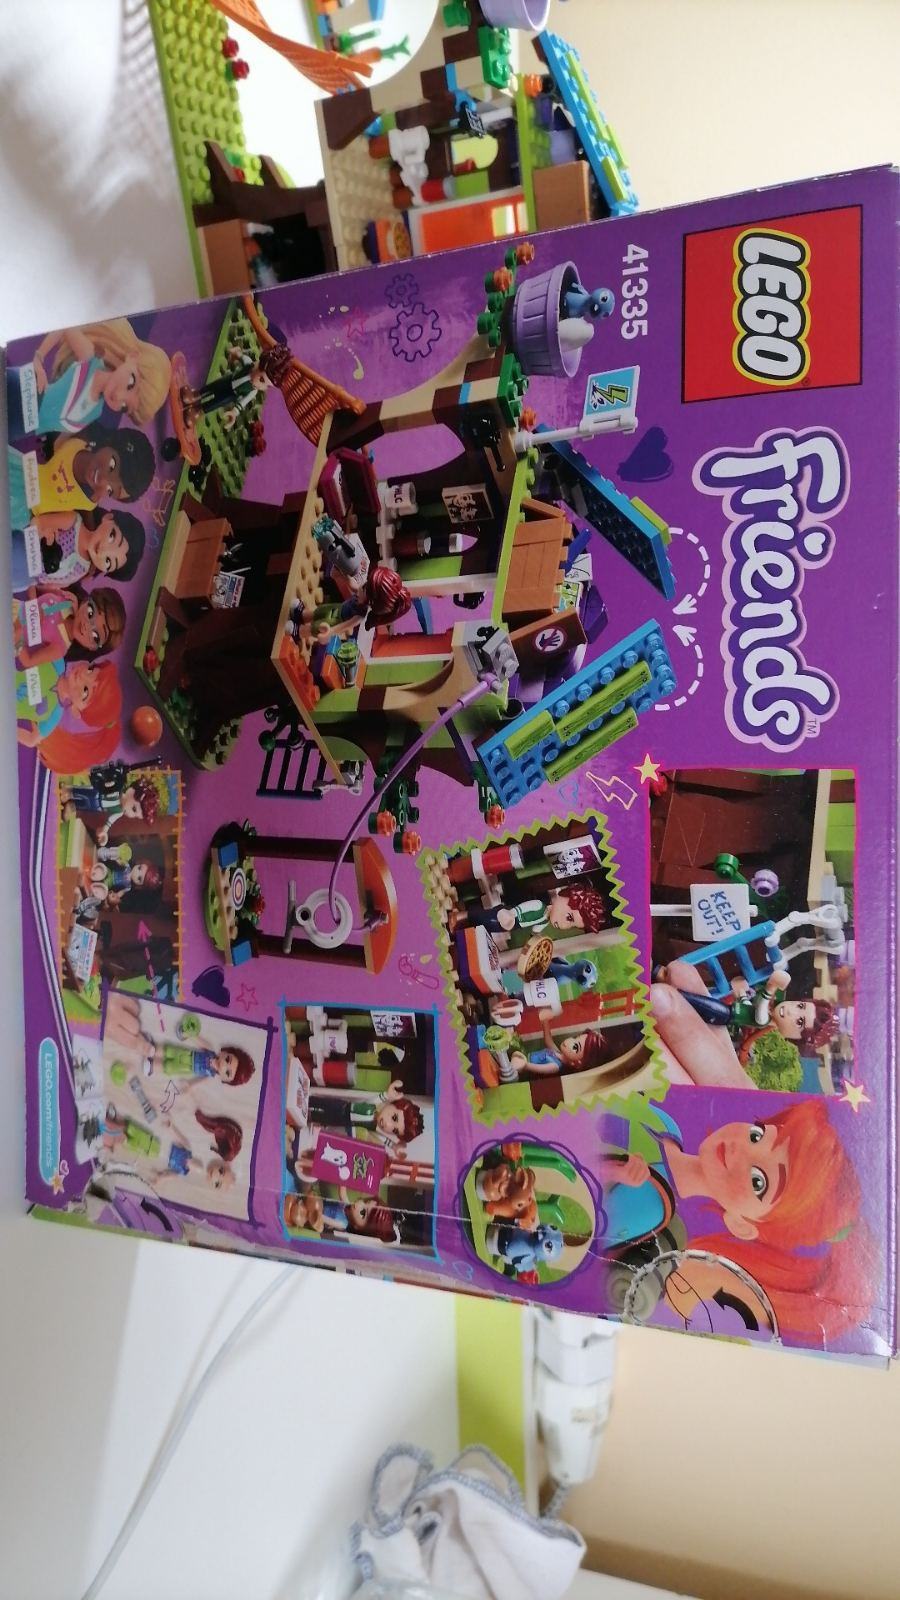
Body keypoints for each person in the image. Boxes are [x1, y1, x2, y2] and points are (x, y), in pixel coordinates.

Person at [601, 1098, 875, 1344]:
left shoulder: (651, 1210)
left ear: (741, 1225)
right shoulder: (665, 1126)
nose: (739, 1150)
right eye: (758, 1135)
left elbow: (585, 1206)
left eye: (758, 1182)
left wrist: (611, 1171)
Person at [6, 318, 171, 439]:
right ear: (132, 357)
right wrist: (38, 358)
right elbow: (66, 326)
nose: (118, 396)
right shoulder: (90, 360)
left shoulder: (94, 412)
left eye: (124, 407)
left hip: (20, 428)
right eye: (130, 383)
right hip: (21, 391)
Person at [15, 656, 122, 774]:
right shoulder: (57, 660)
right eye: (90, 670)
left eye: (85, 691)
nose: (82, 677)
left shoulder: (54, 715)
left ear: (76, 710)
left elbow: (31, 740)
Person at [11, 507, 146, 594]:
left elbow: (51, 584)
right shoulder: (74, 522)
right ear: (108, 518)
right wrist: (43, 535)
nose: (103, 550)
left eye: (108, 561)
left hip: (23, 580)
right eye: (112, 537)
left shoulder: (82, 570)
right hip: (19, 549)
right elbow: (38, 521)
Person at [12, 585, 126, 669]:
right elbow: (33, 585)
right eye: (91, 613)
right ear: (86, 601)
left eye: (95, 636)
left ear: (92, 648)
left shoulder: (60, 647)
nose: (87, 626)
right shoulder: (66, 601)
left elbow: (28, 661)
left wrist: (18, 636)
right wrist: (32, 603)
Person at [450, 883, 607, 938]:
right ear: (563, 896)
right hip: (507, 916)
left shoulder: (546, 920)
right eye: (569, 917)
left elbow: (536, 929)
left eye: (571, 925)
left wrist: (535, 936)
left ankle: (463, 928)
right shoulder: (538, 905)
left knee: (488, 927)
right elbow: (522, 908)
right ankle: (460, 916)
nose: (565, 926)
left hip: (512, 925)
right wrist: (511, 914)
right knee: (485, 917)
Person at [306, 1080, 423, 1153]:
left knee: (322, 1118)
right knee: (322, 1103)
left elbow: (382, 1138)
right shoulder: (372, 1107)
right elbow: (374, 1100)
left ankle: (308, 1115)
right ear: (392, 1104)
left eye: (394, 1130)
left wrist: (393, 1146)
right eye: (394, 1118)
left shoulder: (372, 1127)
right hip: (343, 1106)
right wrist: (387, 1095)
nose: (388, 1125)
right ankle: (307, 1099)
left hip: (343, 1121)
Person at [180, 342, 276, 430]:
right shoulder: (249, 364)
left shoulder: (253, 391)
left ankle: (197, 411)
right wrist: (236, 353)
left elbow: (243, 402)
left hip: (231, 395)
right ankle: (195, 395)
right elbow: (241, 356)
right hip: (228, 380)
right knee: (212, 387)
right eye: (259, 367)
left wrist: (234, 412)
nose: (261, 386)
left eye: (265, 384)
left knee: (216, 402)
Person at [508, 1014, 605, 1079]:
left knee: (512, 1050)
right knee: (514, 1041)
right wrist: (545, 1022)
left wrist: (523, 1064)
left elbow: (533, 1068)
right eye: (575, 1038)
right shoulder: (557, 1052)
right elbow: (548, 1040)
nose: (569, 1041)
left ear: (578, 1063)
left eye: (575, 1046)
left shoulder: (555, 1066)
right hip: (523, 1057)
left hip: (521, 1069)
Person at [144, 1040, 255, 1087]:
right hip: (188, 1054)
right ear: (225, 1052)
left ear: (225, 1080)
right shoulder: (211, 1052)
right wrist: (192, 1035)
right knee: (170, 1051)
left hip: (188, 1069)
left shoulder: (210, 1073)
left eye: (227, 1072)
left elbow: (200, 1080)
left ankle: (152, 1066)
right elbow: (202, 1043)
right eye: (227, 1059)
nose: (223, 1066)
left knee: (169, 1067)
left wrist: (190, 1084)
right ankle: (151, 1049)